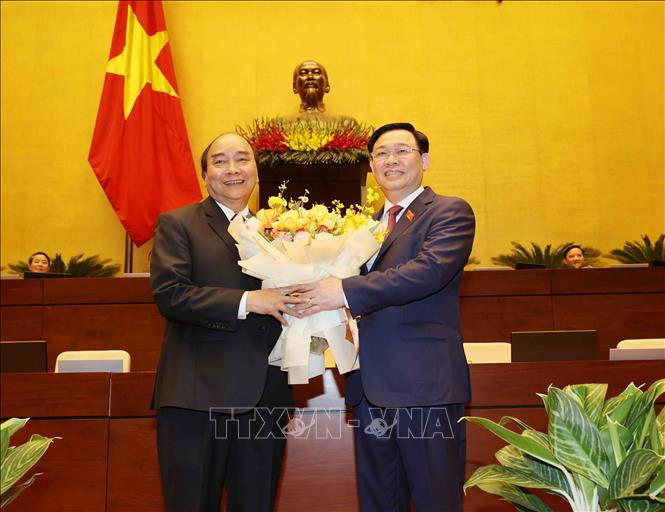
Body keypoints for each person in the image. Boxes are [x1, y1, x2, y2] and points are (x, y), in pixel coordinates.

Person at [297, 123, 476, 511]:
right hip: (368, 388)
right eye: (381, 153)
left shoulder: (448, 211)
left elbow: (428, 272)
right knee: (379, 502)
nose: (390, 160)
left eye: (402, 151)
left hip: (423, 387)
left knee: (435, 501)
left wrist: (343, 290)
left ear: (424, 160)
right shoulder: (363, 228)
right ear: (371, 165)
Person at [150, 132, 305, 512]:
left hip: (264, 399)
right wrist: (248, 301)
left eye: (242, 159)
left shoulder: (282, 232)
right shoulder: (179, 224)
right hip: (197, 396)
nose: (232, 169)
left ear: (256, 171)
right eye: (220, 161)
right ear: (205, 174)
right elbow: (171, 294)